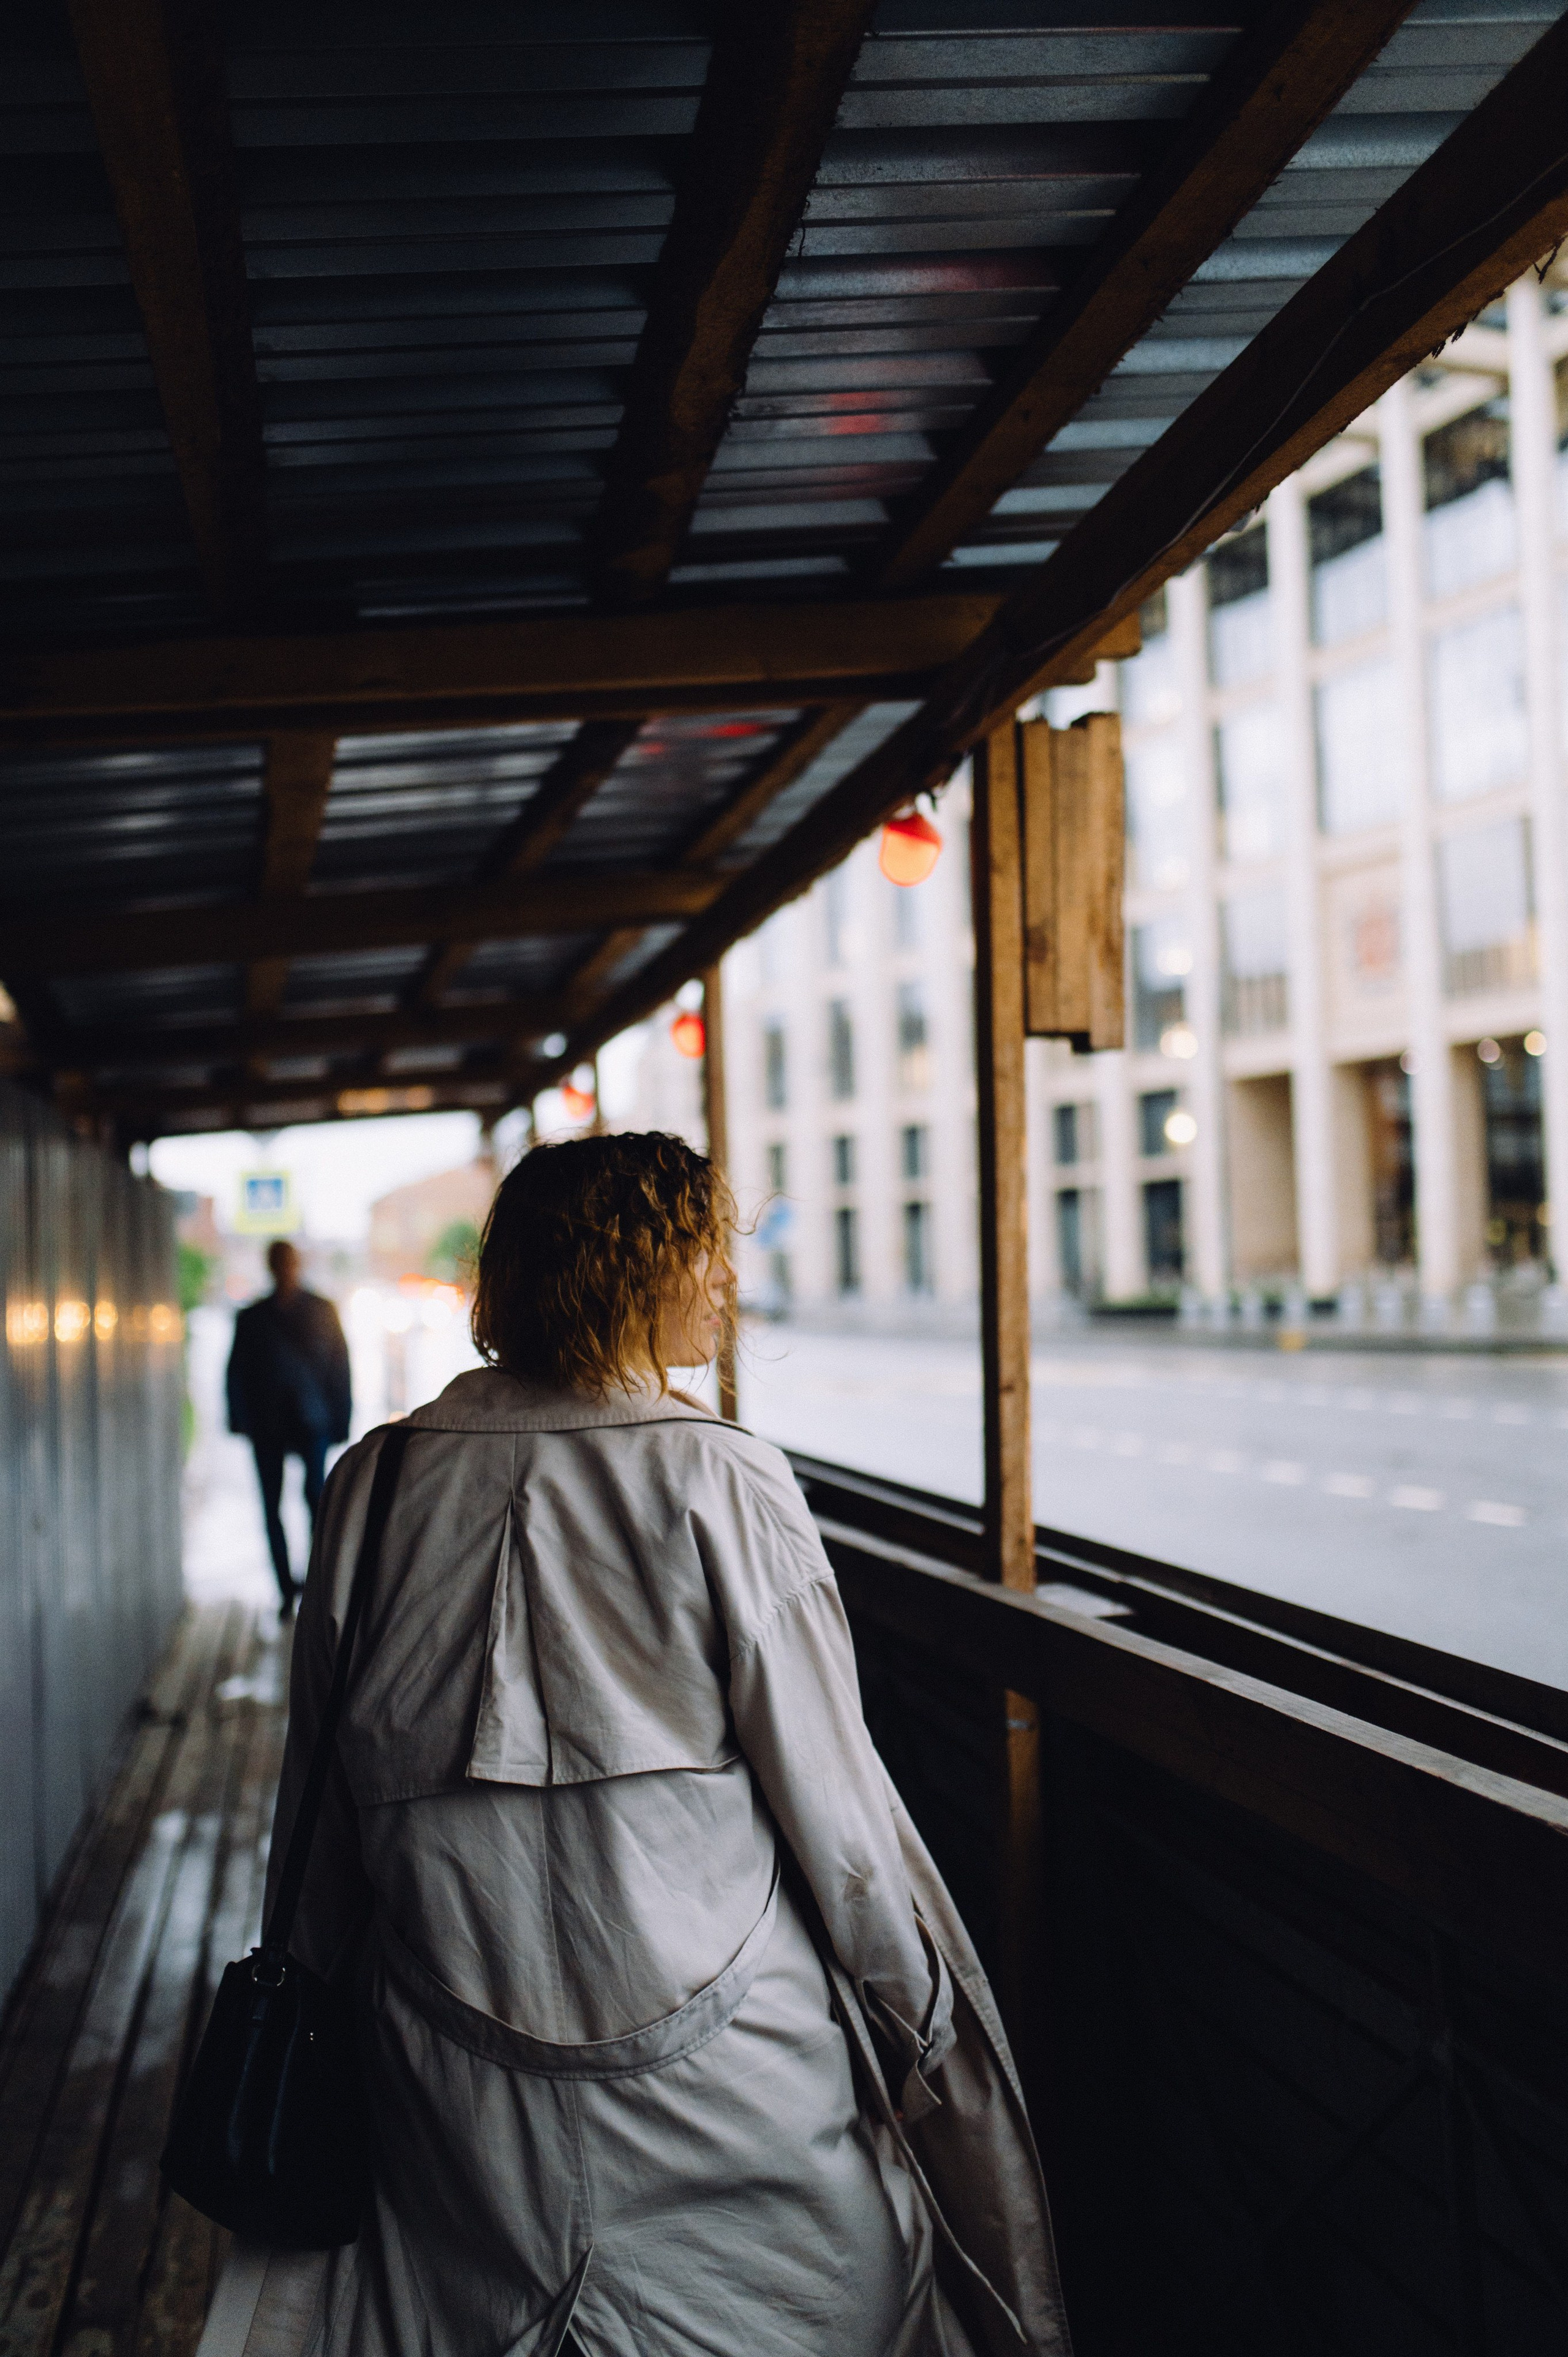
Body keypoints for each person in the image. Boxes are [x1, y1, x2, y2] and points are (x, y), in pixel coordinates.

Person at [228, 1134, 1069, 2357]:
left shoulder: (376, 1481)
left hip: (455, 2100)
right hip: (731, 2090)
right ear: (630, 1269)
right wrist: (922, 2041)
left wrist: (308, 2000)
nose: (724, 1284)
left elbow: (316, 1813)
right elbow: (841, 1827)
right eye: (701, 1252)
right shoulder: (717, 1474)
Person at [225, 1239, 351, 1609]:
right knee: (274, 1506)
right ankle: (286, 1589)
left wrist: (340, 1420)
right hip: (269, 1426)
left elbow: (340, 1368)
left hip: (311, 1423)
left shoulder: (320, 1310)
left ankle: (314, 1585)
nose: (286, 1269)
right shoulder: (252, 1317)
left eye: (289, 1262)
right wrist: (241, 1419)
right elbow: (237, 1373)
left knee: (316, 1501)